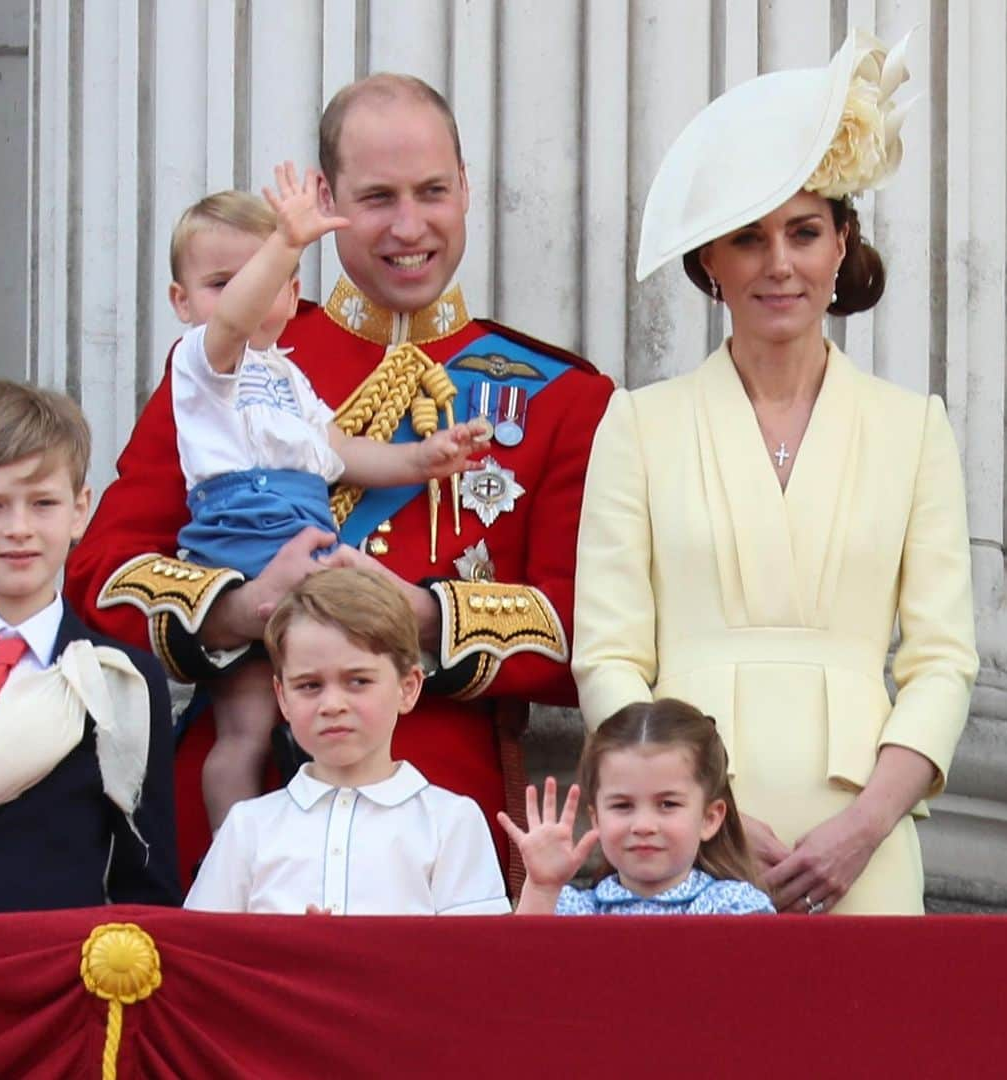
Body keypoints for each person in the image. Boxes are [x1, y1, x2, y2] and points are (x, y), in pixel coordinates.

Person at [65, 73, 614, 884]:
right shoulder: (239, 360)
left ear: (466, 189)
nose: (407, 225)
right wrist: (241, 609)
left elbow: (586, 636)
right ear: (325, 199)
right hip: (241, 810)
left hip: (436, 827)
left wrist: (420, 615)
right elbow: (97, 574)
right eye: (376, 196)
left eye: (431, 192)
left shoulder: (563, 396)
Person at [572, 30, 979, 914]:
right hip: (684, 847)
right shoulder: (639, 424)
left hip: (864, 840)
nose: (780, 263)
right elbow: (606, 654)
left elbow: (943, 661)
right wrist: (699, 821)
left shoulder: (915, 429)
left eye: (804, 232)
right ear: (710, 264)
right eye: (749, 239)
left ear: (842, 246)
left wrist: (868, 824)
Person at [167, 167, 488, 830]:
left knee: (326, 718)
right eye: (221, 282)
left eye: (263, 280)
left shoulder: (288, 375)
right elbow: (232, 319)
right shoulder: (203, 362)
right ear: (182, 301)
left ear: (292, 294)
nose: (243, 297)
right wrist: (285, 241)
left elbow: (339, 451)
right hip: (241, 541)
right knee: (245, 734)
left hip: (310, 537)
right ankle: (237, 858)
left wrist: (423, 461)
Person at [185, 568, 510, 914]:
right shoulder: (247, 826)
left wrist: (540, 889)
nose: (332, 705)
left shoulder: (451, 822)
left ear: (408, 687)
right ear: (282, 697)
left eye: (358, 681)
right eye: (309, 685)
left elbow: (478, 957)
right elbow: (206, 952)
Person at [0, 381, 179, 912]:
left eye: (43, 503)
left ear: (80, 510)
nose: (19, 529)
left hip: (65, 981)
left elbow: (147, 881)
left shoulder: (125, 680)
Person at [501, 699, 773, 915]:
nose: (643, 826)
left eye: (667, 804)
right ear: (596, 819)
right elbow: (519, 971)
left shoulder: (734, 907)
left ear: (709, 819)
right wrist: (542, 888)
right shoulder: (573, 910)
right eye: (622, 805)